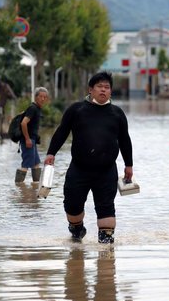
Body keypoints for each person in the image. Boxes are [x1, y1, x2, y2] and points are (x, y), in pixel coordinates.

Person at [44, 71, 133, 244]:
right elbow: (62, 132)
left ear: (111, 91)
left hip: (107, 171)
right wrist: (50, 153)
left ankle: (106, 257)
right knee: (72, 205)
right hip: (79, 169)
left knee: (106, 208)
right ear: (90, 89)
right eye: (99, 87)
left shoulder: (117, 113)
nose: (103, 90)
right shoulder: (76, 110)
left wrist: (129, 165)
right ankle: (76, 230)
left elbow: (125, 140)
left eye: (107, 87)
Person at [15, 87, 50, 184]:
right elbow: (23, 123)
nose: (43, 99)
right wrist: (27, 139)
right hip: (28, 140)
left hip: (32, 140)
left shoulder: (37, 108)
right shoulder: (33, 108)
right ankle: (19, 187)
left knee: (35, 164)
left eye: (45, 97)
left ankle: (36, 188)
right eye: (40, 96)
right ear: (36, 97)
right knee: (25, 165)